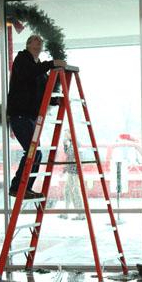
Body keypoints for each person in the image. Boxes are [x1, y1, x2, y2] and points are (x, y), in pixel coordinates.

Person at [6, 34, 66, 199]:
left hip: (30, 116)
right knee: (33, 152)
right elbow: (29, 73)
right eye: (35, 41)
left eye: (40, 42)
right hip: (20, 115)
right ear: (28, 45)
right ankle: (18, 187)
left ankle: (24, 187)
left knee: (35, 153)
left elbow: (42, 91)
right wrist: (52, 64)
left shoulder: (39, 67)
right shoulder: (22, 59)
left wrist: (55, 100)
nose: (38, 44)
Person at [60, 135, 84, 219]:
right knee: (67, 191)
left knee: (75, 192)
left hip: (75, 172)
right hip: (71, 171)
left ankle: (81, 213)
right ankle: (66, 212)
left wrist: (66, 145)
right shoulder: (71, 143)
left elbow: (72, 156)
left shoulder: (76, 144)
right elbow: (69, 157)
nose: (65, 136)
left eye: (66, 133)